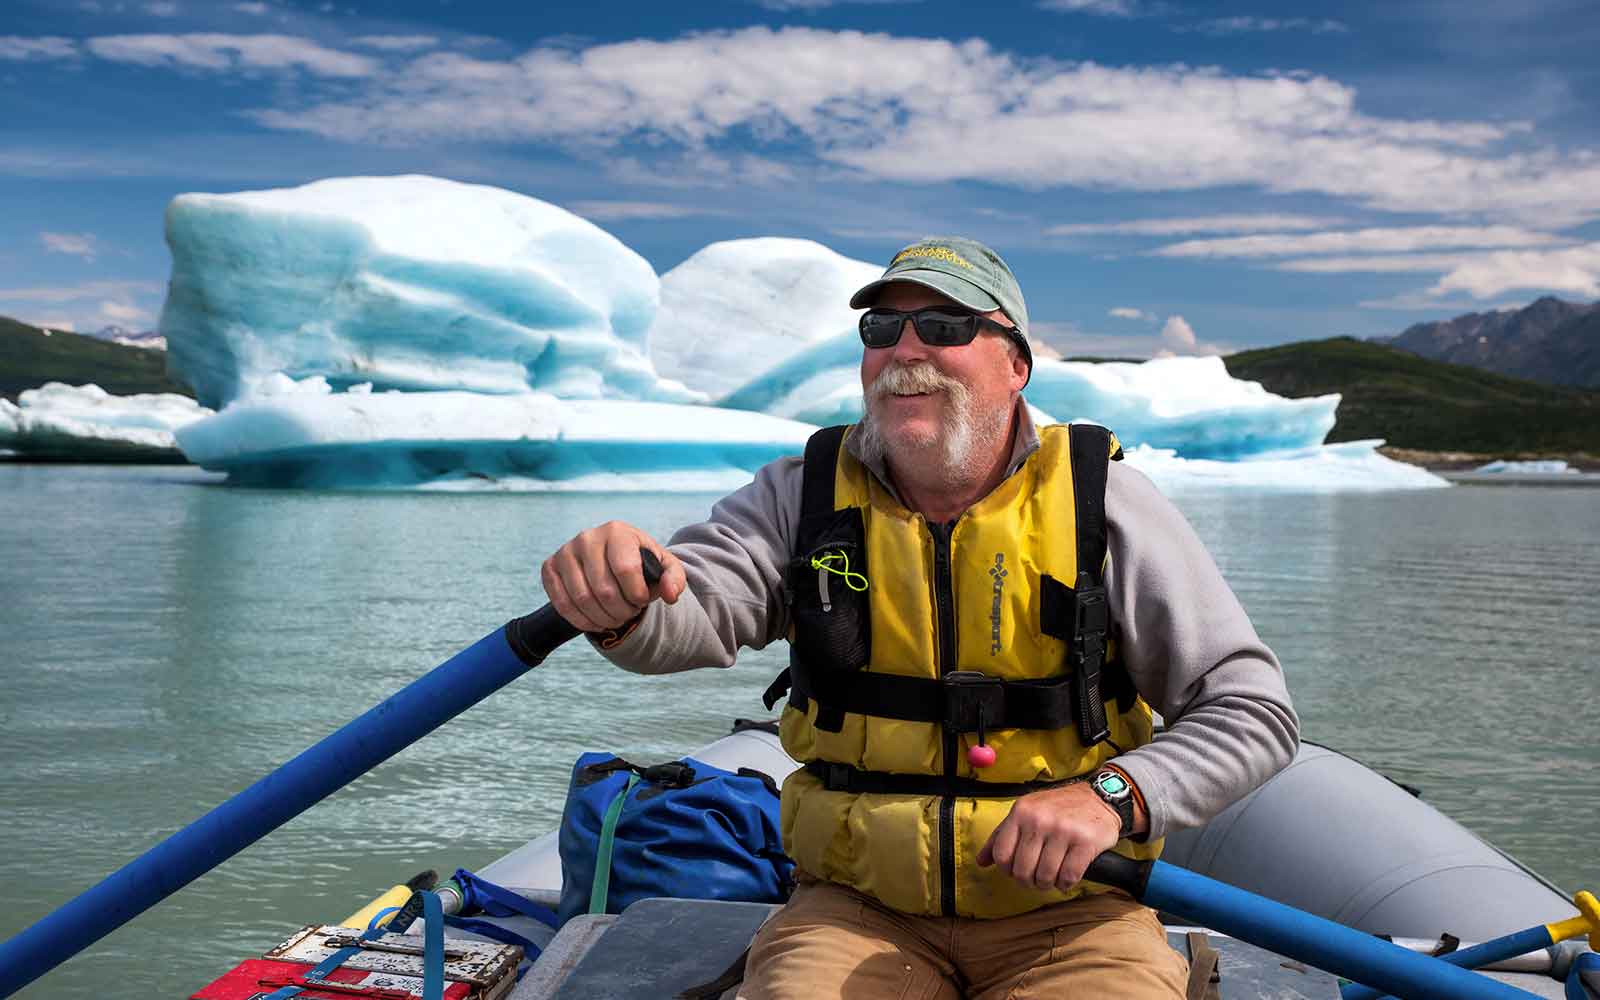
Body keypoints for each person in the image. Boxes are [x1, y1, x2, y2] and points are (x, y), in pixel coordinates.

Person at [542, 236, 1300, 999]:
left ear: (1016, 366)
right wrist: (627, 599)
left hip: (1074, 920)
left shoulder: (1104, 503)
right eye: (882, 330)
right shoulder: (803, 494)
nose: (906, 349)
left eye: (945, 326)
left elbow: (1252, 710)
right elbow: (696, 606)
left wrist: (1111, 797)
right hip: (854, 911)